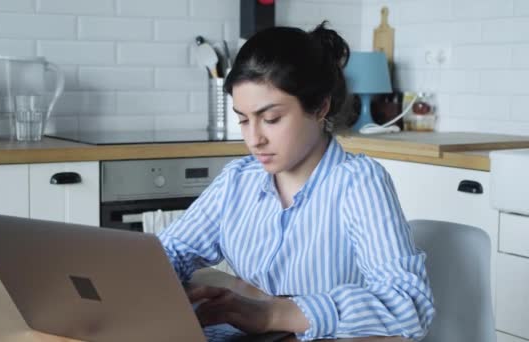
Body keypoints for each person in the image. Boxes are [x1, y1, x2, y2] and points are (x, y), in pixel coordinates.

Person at [158, 22, 435, 341]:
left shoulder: (357, 183)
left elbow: (409, 305)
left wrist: (273, 314)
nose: (254, 139)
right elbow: (172, 250)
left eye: (271, 119)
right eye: (243, 120)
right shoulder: (238, 180)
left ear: (320, 107)